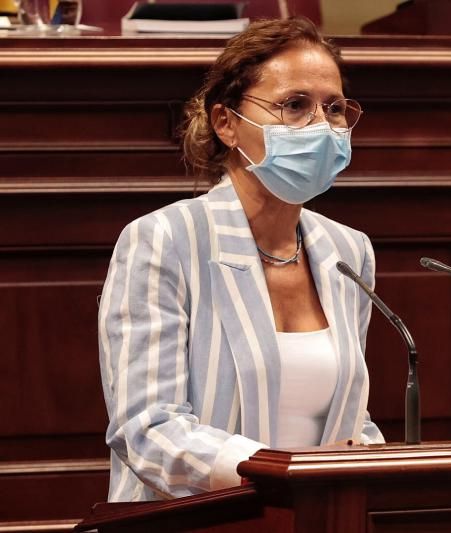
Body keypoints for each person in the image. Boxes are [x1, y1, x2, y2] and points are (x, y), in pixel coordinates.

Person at [98, 17, 384, 502]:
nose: (321, 126)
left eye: (334, 109)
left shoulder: (348, 250)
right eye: (295, 105)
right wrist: (285, 471)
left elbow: (351, 418)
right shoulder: (164, 239)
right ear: (227, 123)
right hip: (197, 523)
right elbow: (148, 430)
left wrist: (372, 458)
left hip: (318, 519)